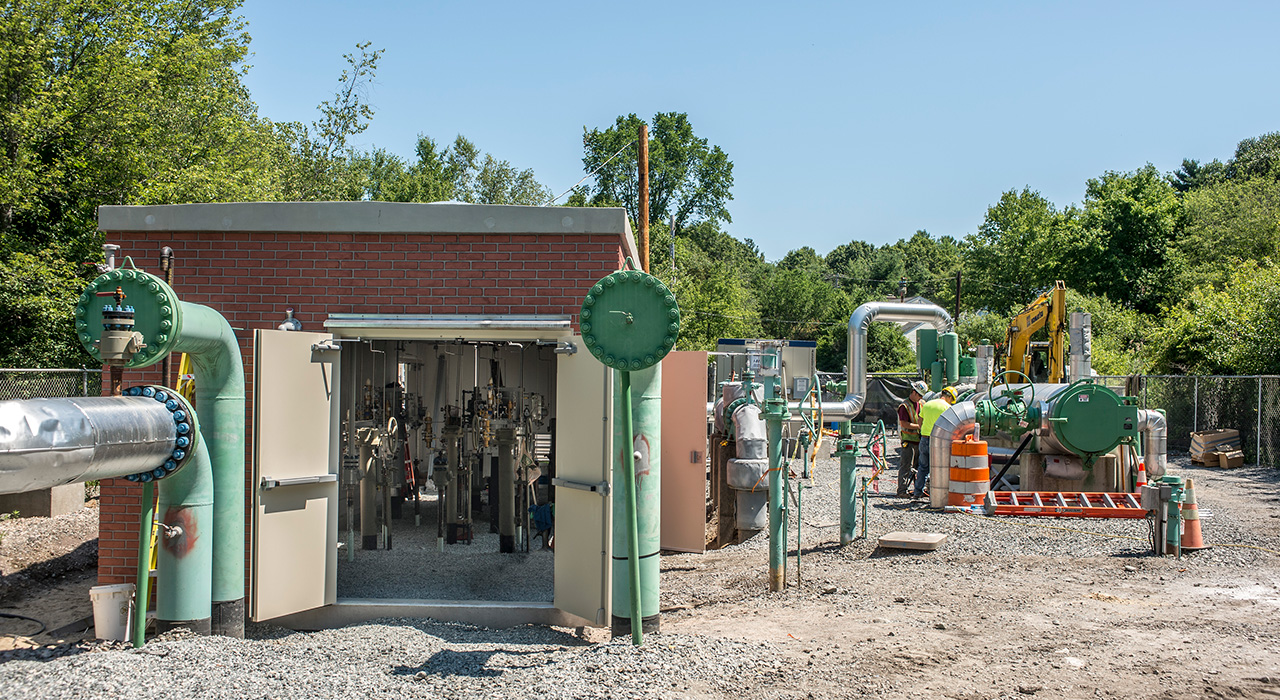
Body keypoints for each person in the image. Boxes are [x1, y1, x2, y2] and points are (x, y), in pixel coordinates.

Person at [913, 385, 958, 500]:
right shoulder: (948, 408)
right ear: (950, 397)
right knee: (938, 467)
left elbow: (920, 421)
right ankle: (935, 494)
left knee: (923, 467)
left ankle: (917, 492)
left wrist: (924, 431)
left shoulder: (927, 404)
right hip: (939, 441)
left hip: (924, 438)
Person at [896, 380, 928, 497]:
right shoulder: (904, 406)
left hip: (919, 441)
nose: (920, 397)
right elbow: (904, 424)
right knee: (906, 466)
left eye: (921, 396)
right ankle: (901, 491)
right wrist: (919, 426)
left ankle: (917, 490)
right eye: (919, 395)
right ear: (913, 392)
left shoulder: (923, 404)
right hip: (908, 441)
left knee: (919, 468)